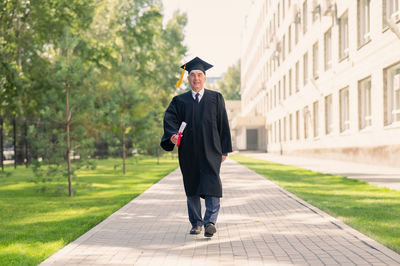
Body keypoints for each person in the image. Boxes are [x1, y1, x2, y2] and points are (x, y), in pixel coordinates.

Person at [160, 57, 232, 237]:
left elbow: (223, 124)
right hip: (189, 152)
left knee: (212, 185)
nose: (196, 78)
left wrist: (224, 150)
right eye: (192, 75)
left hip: (212, 150)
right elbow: (170, 121)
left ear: (205, 78)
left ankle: (210, 222)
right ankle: (196, 223)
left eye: (199, 75)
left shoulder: (216, 98)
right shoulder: (179, 101)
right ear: (188, 79)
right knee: (191, 185)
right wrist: (172, 136)